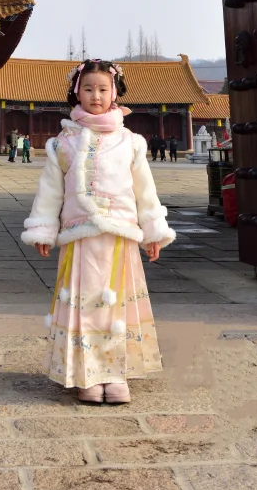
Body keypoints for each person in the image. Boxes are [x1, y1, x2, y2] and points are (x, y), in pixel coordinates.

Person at [21, 59, 174, 406]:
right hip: (81, 236)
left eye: (103, 89)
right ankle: (87, 374)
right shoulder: (63, 144)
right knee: (86, 304)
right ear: (77, 92)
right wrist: (43, 228)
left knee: (116, 306)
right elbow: (50, 191)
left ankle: (116, 373)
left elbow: (145, 191)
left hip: (121, 236)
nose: (96, 95)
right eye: (88, 88)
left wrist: (154, 232)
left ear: (114, 92)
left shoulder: (131, 142)